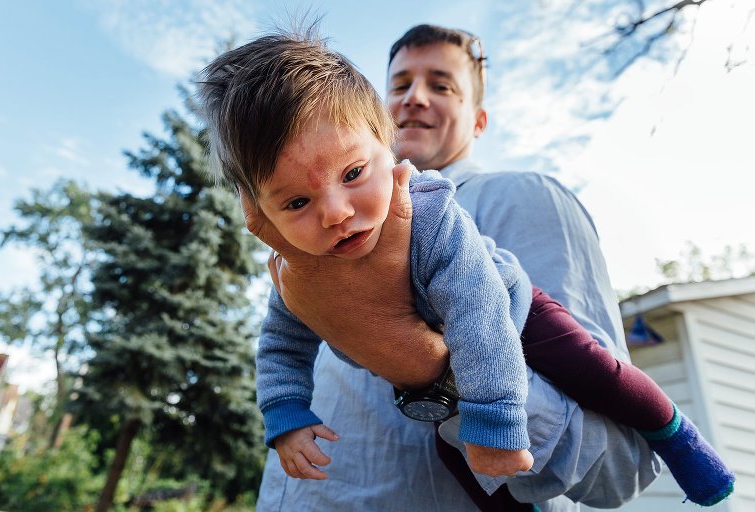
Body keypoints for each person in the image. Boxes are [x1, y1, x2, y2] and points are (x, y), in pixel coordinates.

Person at [198, 25, 734, 510]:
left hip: (520, 319)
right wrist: (285, 413)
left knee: (599, 372)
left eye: (442, 84)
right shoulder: (309, 239)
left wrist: (468, 396)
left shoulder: (507, 198)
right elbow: (281, 342)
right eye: (401, 83)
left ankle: (676, 433)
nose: (415, 97)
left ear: (478, 119)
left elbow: (617, 474)